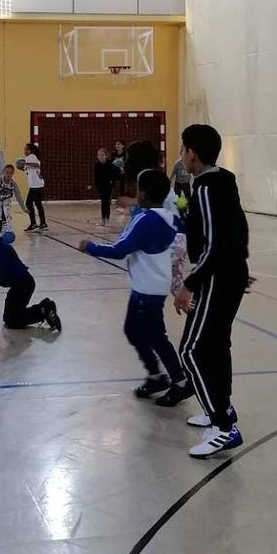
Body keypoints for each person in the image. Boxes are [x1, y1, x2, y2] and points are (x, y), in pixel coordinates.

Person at [175, 124, 250, 458]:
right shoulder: (224, 180)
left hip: (216, 278)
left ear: (192, 152)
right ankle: (222, 409)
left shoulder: (205, 187)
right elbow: (238, 227)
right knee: (217, 345)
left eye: (182, 149)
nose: (181, 156)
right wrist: (241, 266)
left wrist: (189, 285)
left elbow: (215, 244)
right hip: (228, 274)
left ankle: (224, 427)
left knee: (192, 350)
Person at [79, 169, 187, 399]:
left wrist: (91, 247)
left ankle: (180, 381)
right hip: (154, 285)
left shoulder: (144, 220)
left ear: (144, 195)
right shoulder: (170, 217)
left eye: (138, 190)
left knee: (156, 336)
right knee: (133, 330)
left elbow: (119, 250)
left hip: (146, 289)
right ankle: (156, 376)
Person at [0, 216, 61, 332]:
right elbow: (0, 273)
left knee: (12, 321)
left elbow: (2, 275)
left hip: (22, 285)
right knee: (9, 318)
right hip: (21, 283)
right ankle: (43, 308)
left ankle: (43, 309)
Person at [94, 147, 121, 226]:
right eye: (99, 155)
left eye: (102, 155)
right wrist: (98, 187)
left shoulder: (110, 165)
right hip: (101, 186)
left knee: (106, 203)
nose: (101, 157)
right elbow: (96, 178)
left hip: (108, 186)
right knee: (103, 202)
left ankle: (107, 220)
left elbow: (117, 173)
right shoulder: (97, 166)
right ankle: (103, 220)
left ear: (106, 156)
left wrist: (112, 181)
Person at [22, 143, 46, 232]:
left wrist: (26, 164)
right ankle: (43, 223)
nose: (24, 151)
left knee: (28, 203)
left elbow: (36, 165)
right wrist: (24, 167)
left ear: (31, 150)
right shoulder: (33, 157)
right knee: (38, 204)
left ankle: (33, 224)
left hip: (35, 185)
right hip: (38, 184)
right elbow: (31, 168)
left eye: (26, 149)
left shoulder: (31, 156)